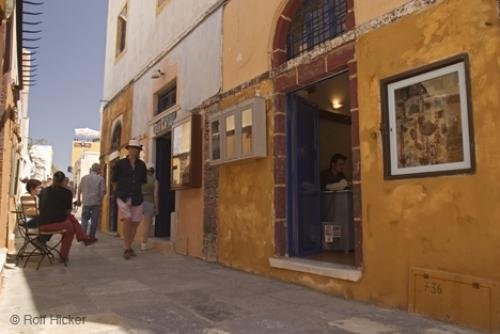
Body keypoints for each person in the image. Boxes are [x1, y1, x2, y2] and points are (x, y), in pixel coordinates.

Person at [38, 171, 96, 263]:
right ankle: (64, 255)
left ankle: (84, 238)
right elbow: (68, 211)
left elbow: (41, 207)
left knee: (70, 220)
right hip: (53, 224)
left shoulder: (44, 191)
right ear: (64, 181)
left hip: (42, 222)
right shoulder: (66, 192)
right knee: (70, 228)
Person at [111, 139, 147, 259]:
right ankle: (126, 248)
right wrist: (117, 192)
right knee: (127, 220)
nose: (134, 151)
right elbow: (114, 180)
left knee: (136, 222)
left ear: (138, 151)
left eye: (136, 149)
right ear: (129, 149)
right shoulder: (120, 164)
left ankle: (129, 246)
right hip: (123, 196)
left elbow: (142, 181)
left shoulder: (142, 165)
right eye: (132, 148)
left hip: (137, 197)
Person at [77, 163, 105, 242]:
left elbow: (79, 189)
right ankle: (91, 236)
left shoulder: (84, 178)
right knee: (94, 220)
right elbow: (102, 191)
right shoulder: (100, 179)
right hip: (96, 202)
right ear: (98, 170)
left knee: (84, 219)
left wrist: (79, 199)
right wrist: (101, 202)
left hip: (86, 202)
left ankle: (83, 235)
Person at [139, 163, 159, 251]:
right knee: (146, 225)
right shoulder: (155, 181)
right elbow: (155, 195)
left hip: (138, 202)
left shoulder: (140, 179)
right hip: (149, 203)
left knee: (136, 224)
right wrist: (156, 207)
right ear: (153, 171)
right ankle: (143, 244)